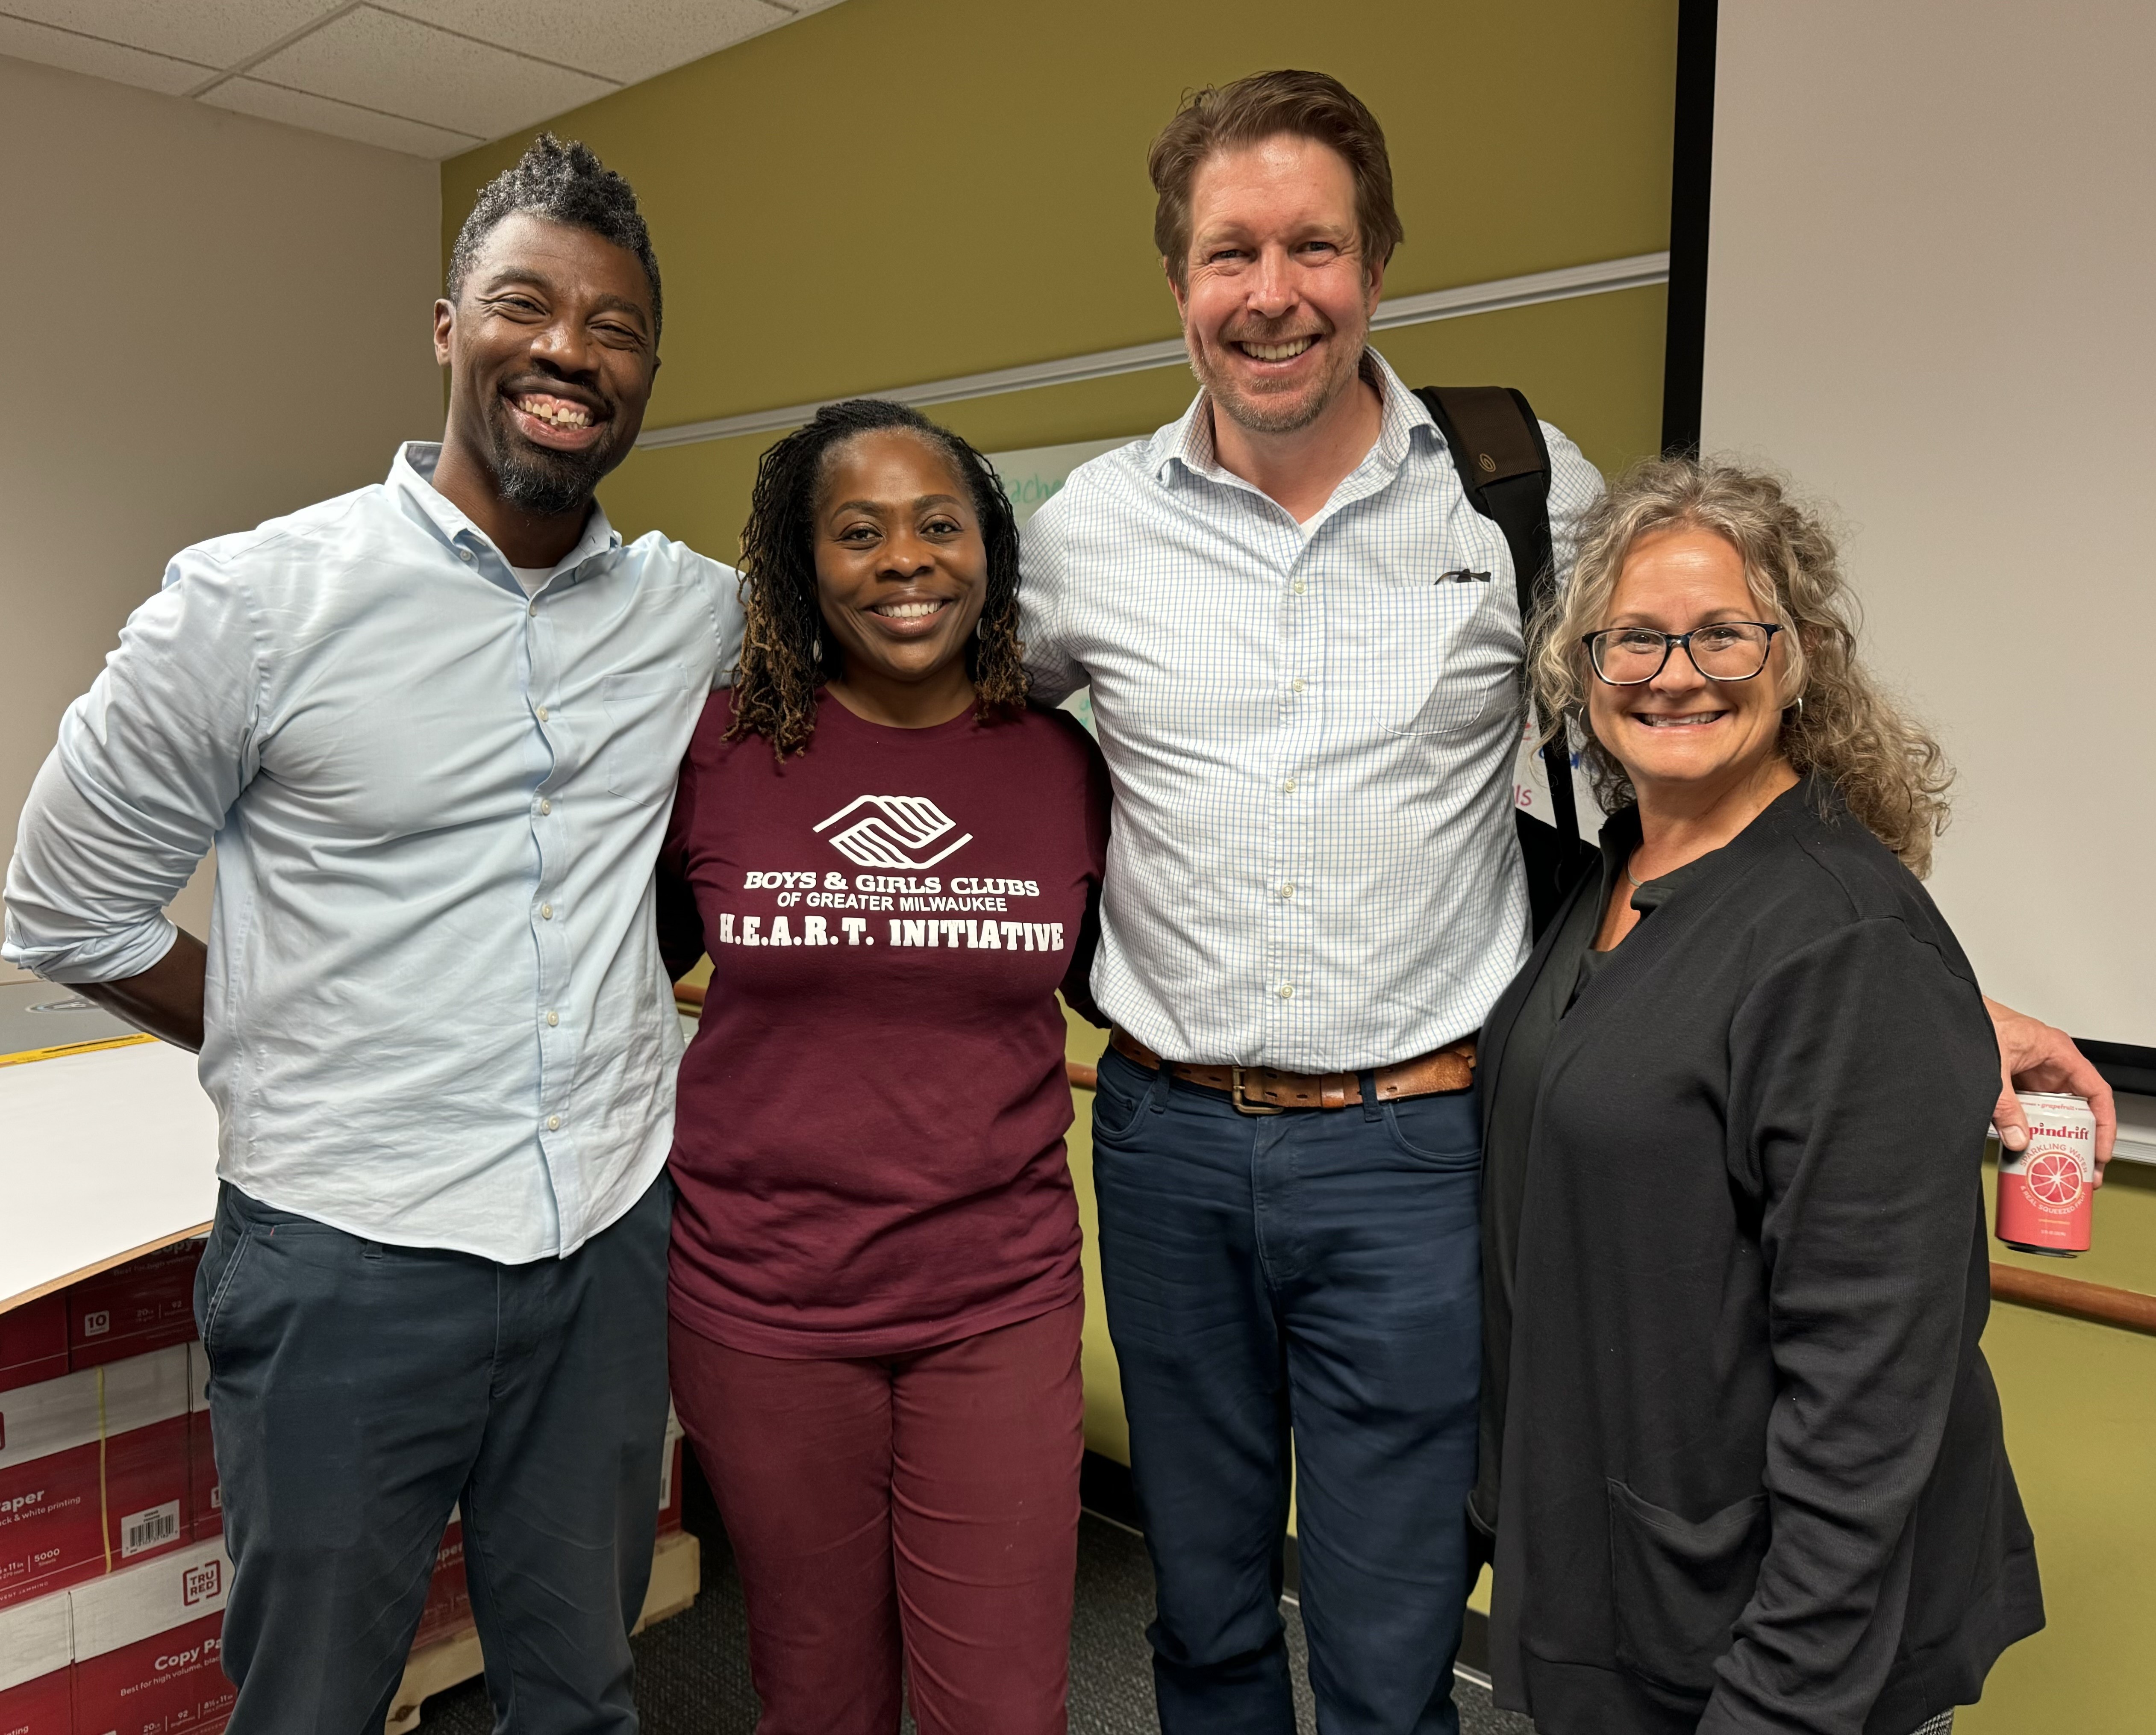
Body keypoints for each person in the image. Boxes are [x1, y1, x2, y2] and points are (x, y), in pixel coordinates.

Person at [1018, 69, 2103, 1735]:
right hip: (1164, 1144)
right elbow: (940, 746)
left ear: (1373, 267)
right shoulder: (1083, 533)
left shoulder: (1511, 488)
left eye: (1314, 245)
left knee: (1391, 1645)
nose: (1271, 291)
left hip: (1414, 1150)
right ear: (1175, 281)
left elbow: (1714, 752)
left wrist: (1946, 997)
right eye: (1229, 251)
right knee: (1206, 1612)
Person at [2, 136, 742, 1735]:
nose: (568, 352)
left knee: (588, 1687)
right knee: (315, 1700)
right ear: (446, 327)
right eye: (525, 306)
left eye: (614, 328)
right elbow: (64, 901)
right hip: (345, 1257)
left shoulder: (694, 613)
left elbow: (921, 624)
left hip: (604, 1243)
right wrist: (275, 1027)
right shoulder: (255, 604)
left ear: (648, 371)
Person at [1477, 457, 2043, 1734]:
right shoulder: (1611, 877)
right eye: (1634, 638)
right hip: (1633, 1593)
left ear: (1796, 657)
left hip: (1771, 1657)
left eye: (1724, 631)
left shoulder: (1846, 939)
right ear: (1583, 666)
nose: (1676, 670)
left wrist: (1779, 1705)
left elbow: (1874, 1392)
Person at [655, 399, 1110, 1735]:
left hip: (997, 1300)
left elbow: (1123, 975)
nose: (904, 560)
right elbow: (611, 970)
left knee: (1003, 1706)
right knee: (818, 1692)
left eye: (937, 524)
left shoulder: (1061, 764)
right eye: (857, 532)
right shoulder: (722, 750)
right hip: (763, 1302)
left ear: (989, 549)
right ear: (803, 564)